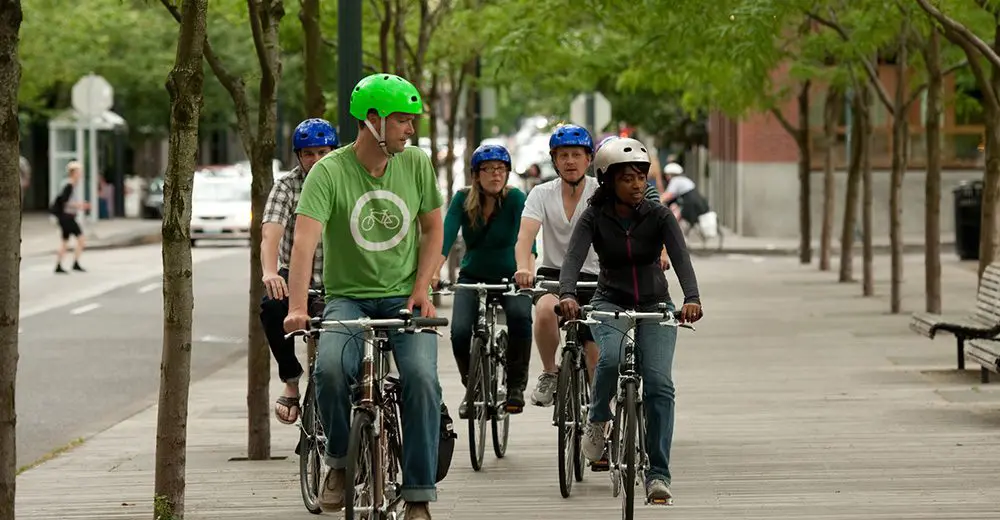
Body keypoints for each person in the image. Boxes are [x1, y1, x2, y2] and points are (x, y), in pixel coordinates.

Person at [283, 73, 443, 520]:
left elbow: (433, 229)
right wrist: (297, 307)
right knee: (331, 370)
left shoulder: (416, 164)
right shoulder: (329, 171)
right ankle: (337, 463)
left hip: (403, 299)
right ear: (372, 120)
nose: (410, 130)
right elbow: (304, 243)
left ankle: (417, 495)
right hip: (347, 299)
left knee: (423, 382)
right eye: (402, 121)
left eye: (412, 122)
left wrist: (421, 288)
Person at [557, 136, 703, 504]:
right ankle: (597, 418)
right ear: (608, 180)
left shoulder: (658, 214)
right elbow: (572, 259)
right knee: (609, 358)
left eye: (641, 176)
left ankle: (658, 475)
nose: (638, 184)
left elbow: (682, 259)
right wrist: (568, 294)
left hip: (656, 303)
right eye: (628, 178)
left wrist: (692, 298)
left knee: (659, 384)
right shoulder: (593, 215)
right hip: (610, 300)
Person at [513, 124, 666, 408]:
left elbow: (649, 215)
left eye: (576, 155)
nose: (570, 161)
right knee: (545, 310)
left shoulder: (605, 191)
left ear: (589, 159)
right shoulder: (541, 193)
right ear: (554, 160)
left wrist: (662, 252)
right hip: (555, 275)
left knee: (598, 360)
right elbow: (525, 237)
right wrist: (524, 267)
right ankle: (549, 372)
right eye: (563, 155)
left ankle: (599, 427)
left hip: (599, 279)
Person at [433, 143, 536, 417]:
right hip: (472, 276)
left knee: (519, 316)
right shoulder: (462, 199)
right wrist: (433, 272)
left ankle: (515, 386)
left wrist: (527, 270)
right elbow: (444, 238)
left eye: (500, 169)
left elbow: (527, 240)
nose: (495, 174)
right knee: (460, 333)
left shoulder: (516, 199)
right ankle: (473, 387)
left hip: (512, 276)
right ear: (475, 175)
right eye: (487, 169)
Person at [259, 118, 338, 425]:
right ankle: (291, 379)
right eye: (308, 154)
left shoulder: (345, 179)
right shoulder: (287, 186)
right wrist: (270, 272)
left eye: (322, 152)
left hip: (340, 280)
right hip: (296, 278)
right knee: (271, 307)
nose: (316, 159)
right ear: (298, 156)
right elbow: (271, 232)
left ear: (333, 150)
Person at [50, 161, 90, 274]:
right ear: (73, 173)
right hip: (67, 217)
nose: (80, 174)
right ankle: (75, 263)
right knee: (81, 239)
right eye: (79, 172)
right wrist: (81, 205)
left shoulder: (69, 185)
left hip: (65, 217)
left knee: (65, 242)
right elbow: (65, 202)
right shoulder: (69, 185)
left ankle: (59, 265)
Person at [660, 162, 710, 226]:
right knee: (675, 208)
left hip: (691, 203)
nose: (666, 177)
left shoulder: (675, 180)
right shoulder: (683, 179)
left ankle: (672, 229)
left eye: (667, 175)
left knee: (675, 216)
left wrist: (657, 200)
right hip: (696, 202)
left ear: (670, 174)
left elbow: (668, 195)